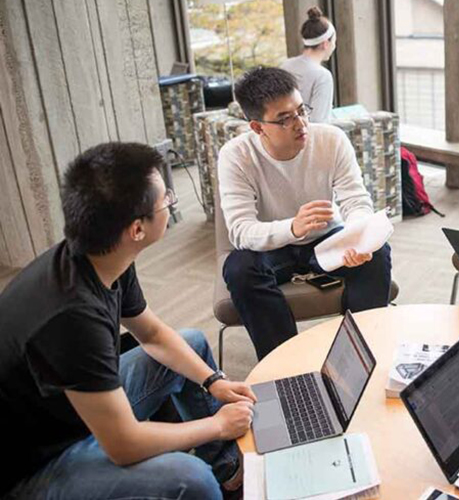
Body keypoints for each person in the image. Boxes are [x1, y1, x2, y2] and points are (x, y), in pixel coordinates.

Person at [0, 143, 256, 499]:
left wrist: (213, 381)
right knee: (190, 478)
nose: (171, 200)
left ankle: (228, 472)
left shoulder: (102, 257)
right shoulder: (70, 316)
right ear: (137, 229)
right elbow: (124, 445)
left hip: (75, 410)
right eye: (166, 199)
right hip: (36, 462)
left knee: (191, 342)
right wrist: (216, 425)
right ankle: (212, 476)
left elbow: (150, 333)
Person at [220, 66, 392, 360]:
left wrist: (358, 237)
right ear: (258, 127)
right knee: (239, 269)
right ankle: (285, 364)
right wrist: (293, 228)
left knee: (377, 254)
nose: (300, 124)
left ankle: (362, 354)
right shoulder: (236, 155)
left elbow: (355, 201)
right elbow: (240, 230)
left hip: (325, 239)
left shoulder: (331, 140)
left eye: (302, 111)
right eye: (284, 119)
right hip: (273, 247)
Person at [281, 7, 336, 123]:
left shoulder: (285, 65)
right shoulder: (322, 76)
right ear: (325, 44)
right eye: (334, 42)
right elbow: (319, 122)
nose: (334, 47)